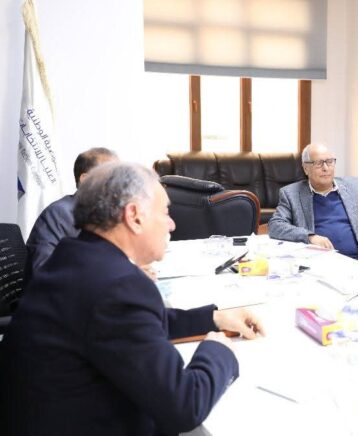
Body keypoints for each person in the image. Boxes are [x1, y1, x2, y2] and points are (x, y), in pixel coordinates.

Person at [0, 162, 264, 436]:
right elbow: (185, 406)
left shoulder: (76, 257)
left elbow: (127, 327)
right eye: (165, 212)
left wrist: (212, 318)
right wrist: (219, 351)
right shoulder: (118, 287)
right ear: (135, 216)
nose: (172, 224)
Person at [268, 142, 358, 269]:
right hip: (320, 267)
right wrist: (310, 237)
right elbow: (275, 226)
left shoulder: (355, 187)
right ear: (305, 168)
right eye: (319, 163)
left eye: (330, 162)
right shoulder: (291, 194)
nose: (326, 168)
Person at [25, 147, 118, 275]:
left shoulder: (109, 215)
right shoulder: (58, 214)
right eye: (111, 176)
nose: (118, 183)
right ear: (85, 180)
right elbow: (43, 271)